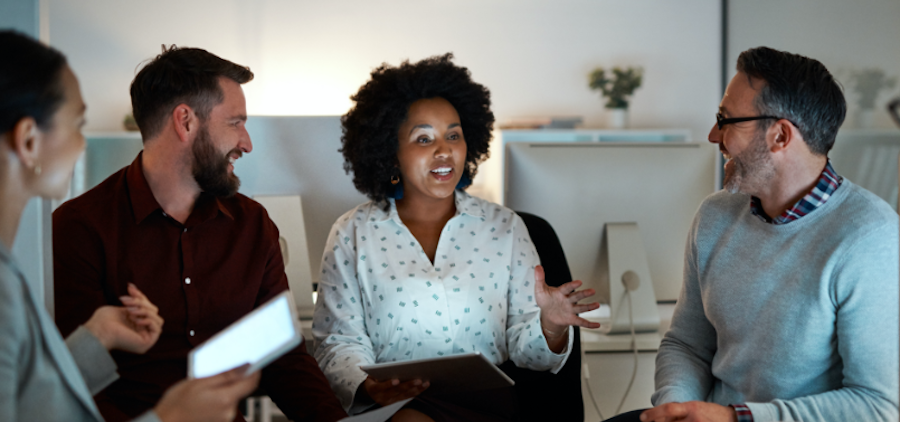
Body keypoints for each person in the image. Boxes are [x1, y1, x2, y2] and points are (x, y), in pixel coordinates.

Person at [52, 45, 347, 422]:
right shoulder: (79, 228)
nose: (247, 142)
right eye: (235, 122)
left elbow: (283, 358)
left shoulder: (253, 226)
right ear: (186, 122)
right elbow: (74, 384)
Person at [312, 53, 600, 422]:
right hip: (395, 405)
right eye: (423, 138)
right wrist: (369, 387)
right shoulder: (352, 233)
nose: (444, 149)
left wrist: (550, 325)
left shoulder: (506, 227)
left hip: (486, 405)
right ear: (390, 151)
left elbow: (532, 356)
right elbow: (338, 342)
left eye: (453, 135)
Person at [0, 30, 259, 422]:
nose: (82, 144)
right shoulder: (49, 248)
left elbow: (32, 402)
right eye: (76, 124)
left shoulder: (10, 270)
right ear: (29, 141)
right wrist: (170, 418)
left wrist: (98, 335)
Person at [638, 47, 899, 422]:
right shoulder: (715, 215)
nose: (714, 135)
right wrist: (679, 409)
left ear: (779, 135)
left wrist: (737, 419)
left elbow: (877, 406)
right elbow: (687, 344)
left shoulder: (871, 237)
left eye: (726, 120)